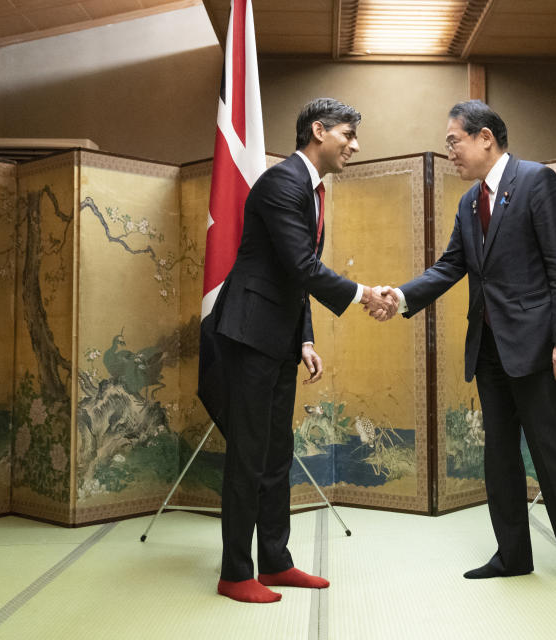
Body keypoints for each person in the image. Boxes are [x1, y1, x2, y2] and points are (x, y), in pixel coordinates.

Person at [382, 100, 556, 591]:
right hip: (487, 345)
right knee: (499, 454)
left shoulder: (536, 181)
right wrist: (400, 296)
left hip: (536, 344)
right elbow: (449, 267)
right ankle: (512, 554)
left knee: (552, 450)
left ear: (486, 137)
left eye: (454, 142)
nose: (451, 154)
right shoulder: (469, 203)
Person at [206, 97, 397, 603]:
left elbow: (295, 276)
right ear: (319, 130)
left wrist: (305, 338)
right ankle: (234, 573)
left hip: (278, 338)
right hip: (248, 334)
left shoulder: (311, 190)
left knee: (275, 454)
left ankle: (274, 562)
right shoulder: (281, 183)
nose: (354, 146)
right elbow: (301, 267)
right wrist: (363, 295)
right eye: (347, 136)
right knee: (248, 455)